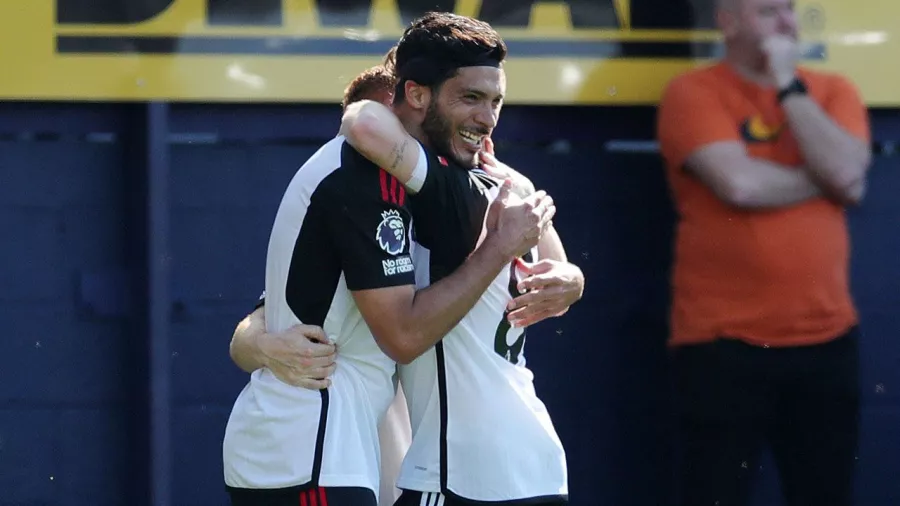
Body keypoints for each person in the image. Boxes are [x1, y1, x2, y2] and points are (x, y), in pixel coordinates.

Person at [233, 11, 583, 506]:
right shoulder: (500, 191)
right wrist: (259, 345)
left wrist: (549, 268)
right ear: (412, 97)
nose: (486, 118)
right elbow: (364, 122)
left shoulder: (452, 193)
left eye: (494, 103)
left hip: (462, 469)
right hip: (509, 465)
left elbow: (366, 123)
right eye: (472, 99)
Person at [656, 0, 871, 505]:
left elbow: (846, 175)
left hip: (827, 338)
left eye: (789, 10)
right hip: (721, 342)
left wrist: (787, 84)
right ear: (727, 22)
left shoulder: (833, 90)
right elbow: (740, 185)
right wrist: (827, 180)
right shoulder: (694, 91)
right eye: (767, 11)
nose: (786, 23)